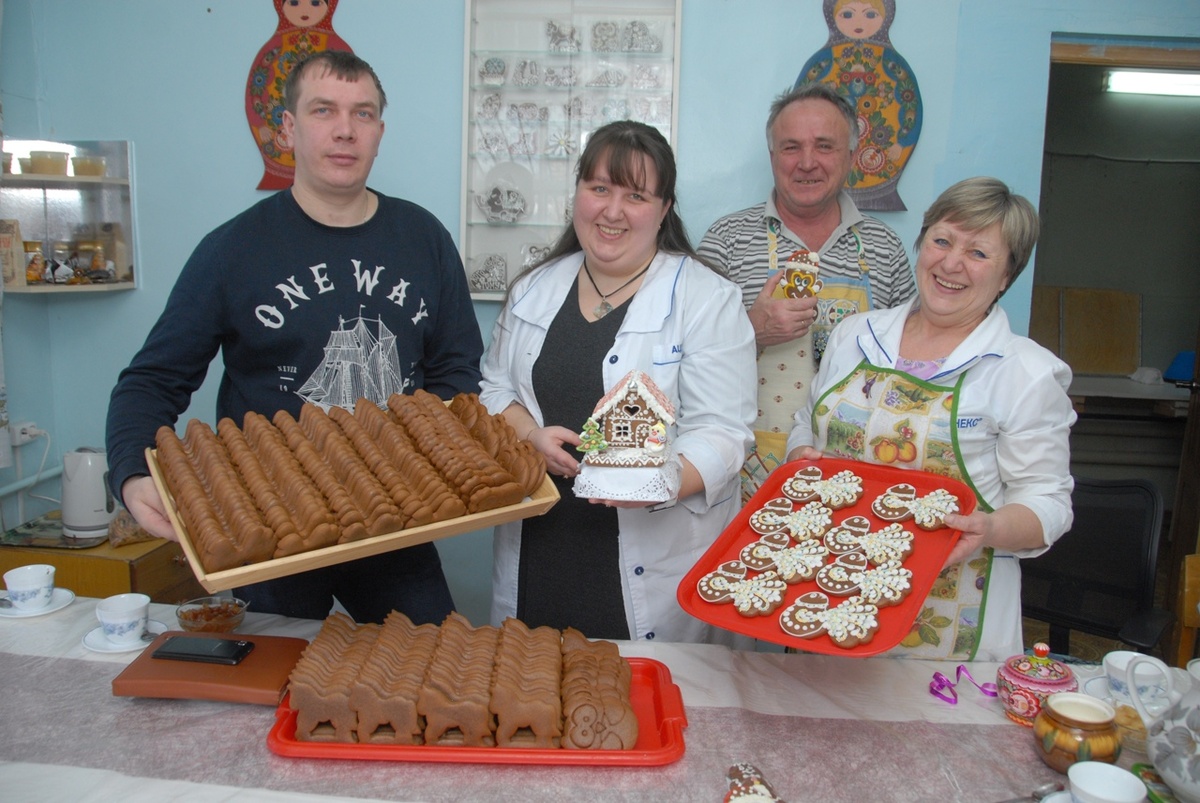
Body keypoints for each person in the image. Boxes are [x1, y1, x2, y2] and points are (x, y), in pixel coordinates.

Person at [105, 50, 484, 624]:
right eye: (323, 110)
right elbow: (153, 380)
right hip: (269, 527)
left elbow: (458, 370)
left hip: (397, 520)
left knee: (432, 671)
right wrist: (133, 474)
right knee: (265, 687)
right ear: (288, 128)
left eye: (363, 114)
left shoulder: (424, 237)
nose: (344, 129)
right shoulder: (232, 249)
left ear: (379, 132)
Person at [480, 120, 756, 644]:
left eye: (635, 195)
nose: (612, 210)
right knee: (533, 693)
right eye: (599, 188)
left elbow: (725, 432)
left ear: (664, 209)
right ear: (578, 192)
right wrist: (528, 436)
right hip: (541, 552)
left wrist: (656, 481)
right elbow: (494, 390)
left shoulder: (706, 297)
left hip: (652, 566)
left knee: (649, 706)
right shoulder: (533, 289)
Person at [785, 177, 1076, 661]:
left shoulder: (1026, 372)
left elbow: (1049, 503)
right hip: (832, 583)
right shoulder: (854, 336)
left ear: (1007, 275)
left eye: (979, 253)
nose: (951, 263)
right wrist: (801, 453)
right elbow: (806, 420)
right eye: (942, 241)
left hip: (949, 605)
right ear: (922, 244)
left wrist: (994, 528)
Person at [698, 82, 915, 502]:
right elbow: (679, 361)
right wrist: (750, 329)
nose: (807, 162)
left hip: (851, 475)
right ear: (773, 156)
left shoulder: (884, 249)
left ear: (852, 156)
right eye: (791, 147)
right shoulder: (725, 240)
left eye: (825, 146)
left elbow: (911, 367)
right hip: (737, 474)